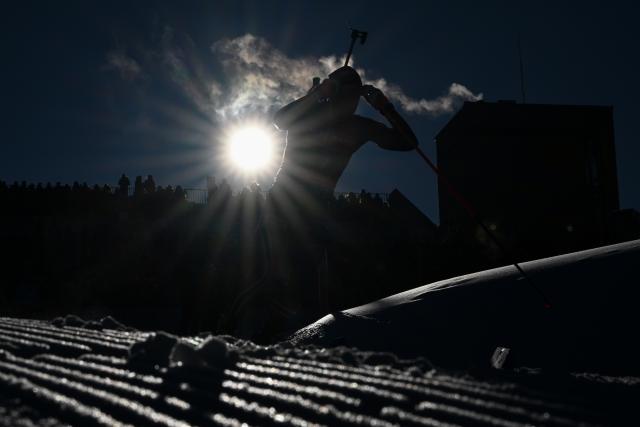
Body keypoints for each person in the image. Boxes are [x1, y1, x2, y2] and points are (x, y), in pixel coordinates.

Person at [264, 65, 418, 329]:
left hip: (316, 208)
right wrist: (314, 97)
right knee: (276, 273)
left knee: (308, 278)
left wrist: (385, 107)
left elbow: (408, 143)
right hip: (283, 201)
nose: (351, 103)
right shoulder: (311, 114)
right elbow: (280, 120)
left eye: (355, 98)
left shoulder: (357, 127)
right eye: (345, 96)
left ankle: (305, 333)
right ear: (333, 94)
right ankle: (265, 327)